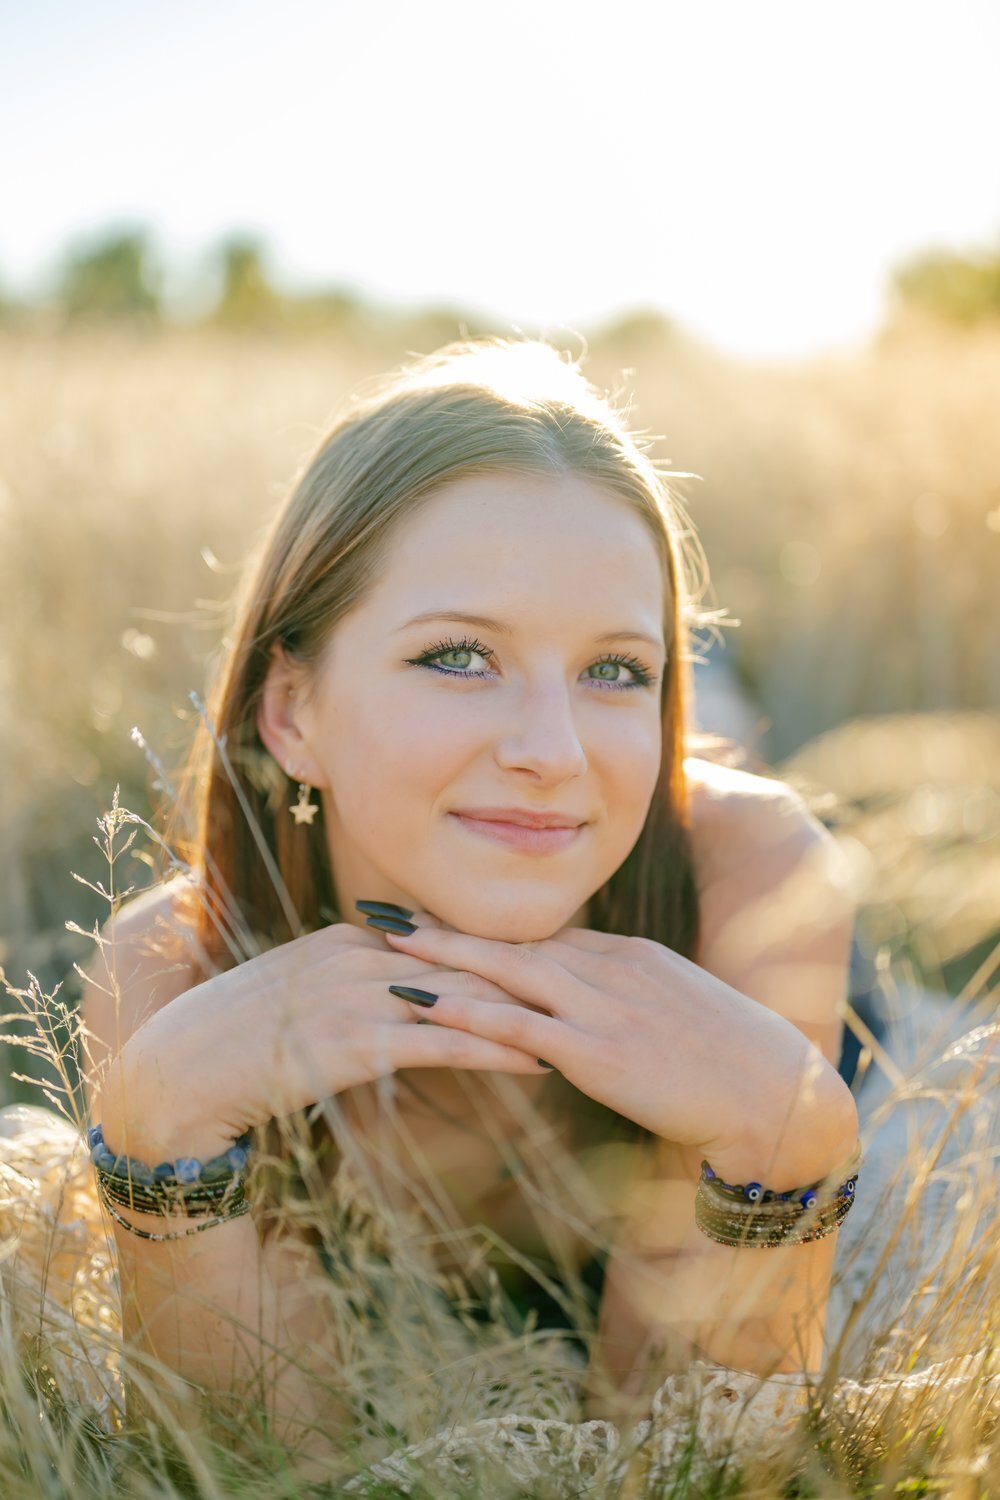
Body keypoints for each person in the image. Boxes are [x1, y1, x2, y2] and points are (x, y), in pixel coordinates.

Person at [1, 337, 995, 1492]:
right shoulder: (172, 970)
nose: (549, 751)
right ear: (292, 713)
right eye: (459, 655)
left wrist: (788, 1150)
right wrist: (160, 1139)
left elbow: (688, 1461)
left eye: (617, 671)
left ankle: (705, 697)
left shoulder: (756, 871)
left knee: (716, 787)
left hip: (768, 928)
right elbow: (262, 1460)